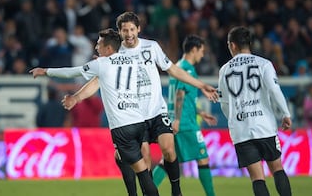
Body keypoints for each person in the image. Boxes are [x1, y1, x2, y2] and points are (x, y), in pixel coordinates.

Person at [62, 12, 218, 196]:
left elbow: (173, 69)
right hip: (135, 115)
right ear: (119, 32)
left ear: (138, 29)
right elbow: (97, 81)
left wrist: (201, 85)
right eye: (124, 30)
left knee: (168, 149)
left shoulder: (151, 47)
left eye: (132, 29)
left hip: (157, 110)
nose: (128, 34)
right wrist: (77, 97)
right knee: (145, 156)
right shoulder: (115, 53)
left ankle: (176, 190)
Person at [30, 28, 159, 196]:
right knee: (121, 157)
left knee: (142, 172)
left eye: (99, 44)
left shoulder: (102, 64)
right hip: (139, 121)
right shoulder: (133, 61)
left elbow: (72, 72)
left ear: (108, 48)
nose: (96, 47)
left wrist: (45, 71)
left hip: (122, 126)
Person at [218, 26, 292, 196]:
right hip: (264, 125)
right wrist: (285, 113)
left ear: (233, 45)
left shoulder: (224, 70)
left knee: (257, 177)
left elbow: (224, 103)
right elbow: (274, 90)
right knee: (277, 168)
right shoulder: (263, 64)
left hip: (241, 130)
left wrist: (234, 120)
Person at [151, 35, 217, 196]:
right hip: (185, 123)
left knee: (167, 161)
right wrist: (179, 120)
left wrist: (200, 112)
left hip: (177, 119)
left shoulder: (178, 66)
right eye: (201, 51)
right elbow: (180, 94)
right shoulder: (187, 69)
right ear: (193, 50)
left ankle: (148, 191)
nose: (202, 55)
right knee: (203, 158)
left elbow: (184, 97)